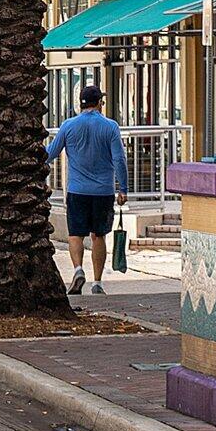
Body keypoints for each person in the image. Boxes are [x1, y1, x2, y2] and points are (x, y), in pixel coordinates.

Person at [44, 84, 129, 295]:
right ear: (99, 103)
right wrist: (123, 188)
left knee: (75, 235)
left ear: (80, 104)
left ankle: (78, 270)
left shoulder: (68, 125)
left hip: (77, 191)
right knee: (98, 236)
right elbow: (119, 159)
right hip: (103, 192)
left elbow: (50, 154)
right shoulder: (110, 127)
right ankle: (97, 282)